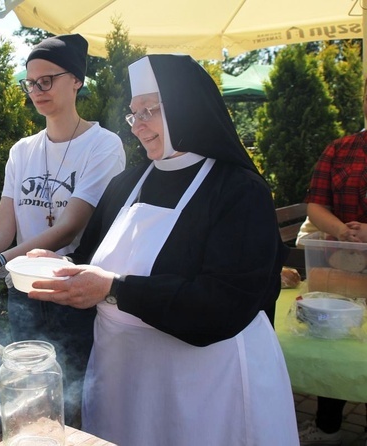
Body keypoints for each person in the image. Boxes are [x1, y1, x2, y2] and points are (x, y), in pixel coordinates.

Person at [25, 54, 299, 445]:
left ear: (185, 108)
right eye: (133, 114)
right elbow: (91, 260)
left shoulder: (239, 191)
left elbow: (225, 302)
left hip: (203, 383)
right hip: (123, 376)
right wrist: (61, 267)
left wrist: (114, 288)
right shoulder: (125, 184)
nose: (138, 126)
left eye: (148, 111)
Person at [0, 34, 125, 426]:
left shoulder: (103, 146)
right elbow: (1, 229)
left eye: (47, 80)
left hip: (73, 295)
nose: (37, 90)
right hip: (23, 297)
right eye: (31, 83)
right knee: (32, 403)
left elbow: (68, 229)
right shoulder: (22, 151)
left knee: (76, 405)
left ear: (77, 80)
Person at [296, 77, 367, 446]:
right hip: (342, 266)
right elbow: (315, 204)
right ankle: (329, 428)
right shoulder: (340, 149)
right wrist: (343, 231)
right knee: (334, 340)